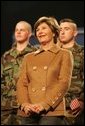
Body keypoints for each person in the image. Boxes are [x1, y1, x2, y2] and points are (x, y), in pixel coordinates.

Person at [16, 16, 73, 125]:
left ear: (54, 32)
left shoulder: (64, 54)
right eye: (37, 30)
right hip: (28, 112)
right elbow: (21, 83)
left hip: (51, 111)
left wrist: (44, 104)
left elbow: (63, 83)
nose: (40, 32)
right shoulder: (28, 57)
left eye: (44, 28)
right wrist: (25, 104)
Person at [1, 21, 37, 125]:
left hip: (26, 107)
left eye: (22, 30)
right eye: (17, 30)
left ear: (30, 33)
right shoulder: (6, 56)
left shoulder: (35, 54)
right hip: (6, 107)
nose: (18, 32)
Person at [58, 18, 84, 125]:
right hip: (52, 106)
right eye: (60, 29)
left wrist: (82, 100)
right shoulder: (52, 53)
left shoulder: (82, 53)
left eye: (66, 29)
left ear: (75, 33)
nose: (62, 32)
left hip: (73, 107)